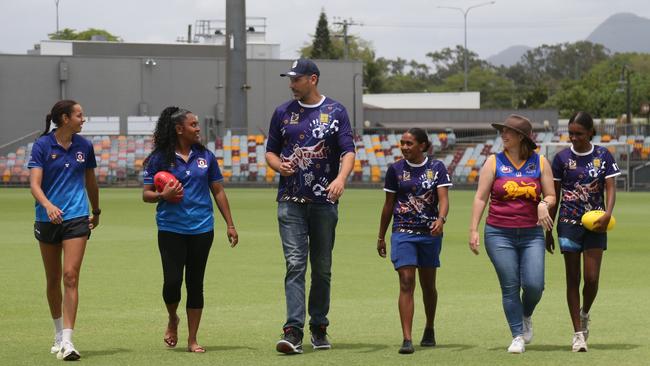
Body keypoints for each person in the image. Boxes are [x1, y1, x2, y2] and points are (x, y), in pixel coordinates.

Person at [265, 58, 356, 354]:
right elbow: (270, 152)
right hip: (290, 202)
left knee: (322, 267)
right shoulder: (282, 113)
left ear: (312, 79)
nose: (291, 84)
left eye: (296, 79)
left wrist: (340, 179)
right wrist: (280, 166)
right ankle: (292, 330)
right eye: (290, 79)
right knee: (294, 264)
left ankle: (319, 325)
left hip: (324, 202)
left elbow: (348, 151)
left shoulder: (336, 111)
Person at [142, 106, 238, 353]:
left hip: (202, 229)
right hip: (171, 228)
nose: (198, 128)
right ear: (179, 129)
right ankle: (173, 318)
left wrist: (230, 223)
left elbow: (218, 191)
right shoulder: (159, 159)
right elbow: (147, 195)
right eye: (193, 125)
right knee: (172, 282)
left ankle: (193, 338)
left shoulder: (206, 156)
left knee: (196, 283)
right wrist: (163, 195)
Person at [468, 114, 556, 354]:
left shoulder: (540, 163)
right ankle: (517, 335)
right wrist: (473, 229)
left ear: (521, 137)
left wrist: (543, 205)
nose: (503, 135)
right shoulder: (493, 162)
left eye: (508, 131)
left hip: (531, 234)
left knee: (535, 285)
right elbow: (480, 197)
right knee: (510, 286)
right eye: (502, 131)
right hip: (498, 234)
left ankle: (526, 314)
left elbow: (551, 195)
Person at [28, 100, 101, 361]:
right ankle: (58, 334)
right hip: (47, 219)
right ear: (64, 118)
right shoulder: (42, 145)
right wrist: (47, 205)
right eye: (80, 115)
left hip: (77, 218)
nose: (84, 119)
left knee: (70, 276)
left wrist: (96, 210)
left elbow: (90, 181)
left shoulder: (85, 146)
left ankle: (68, 341)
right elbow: (35, 184)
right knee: (53, 278)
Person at [545, 111, 620, 352]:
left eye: (579, 134)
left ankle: (585, 313)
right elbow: (554, 197)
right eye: (571, 134)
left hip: (596, 223)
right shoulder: (561, 159)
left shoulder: (603, 155)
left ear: (590, 133)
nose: (574, 138)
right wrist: (548, 230)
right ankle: (578, 334)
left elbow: (610, 186)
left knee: (592, 278)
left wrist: (608, 212)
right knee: (572, 278)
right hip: (568, 223)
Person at [376, 128, 451, 354]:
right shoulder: (395, 170)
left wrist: (441, 219)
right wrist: (381, 235)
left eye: (410, 143)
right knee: (406, 281)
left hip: (430, 234)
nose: (405, 147)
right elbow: (388, 205)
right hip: (403, 232)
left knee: (428, 286)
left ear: (423, 146)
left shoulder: (437, 168)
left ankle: (429, 327)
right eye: (402, 143)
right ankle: (407, 339)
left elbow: (443, 199)